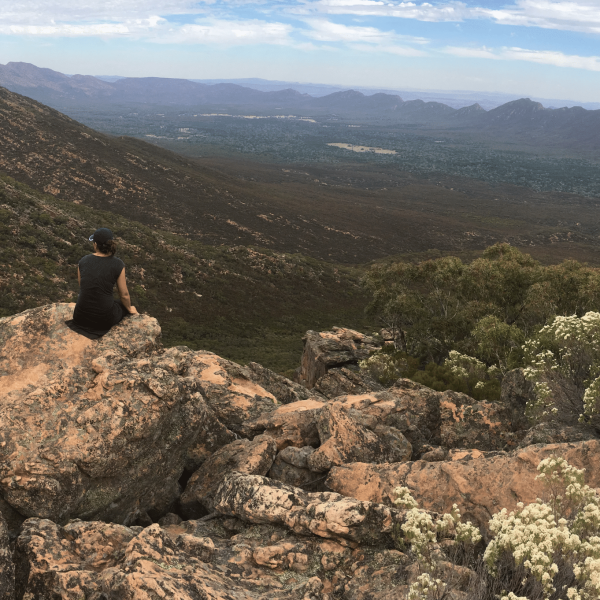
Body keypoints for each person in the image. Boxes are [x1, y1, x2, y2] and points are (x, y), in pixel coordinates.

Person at [66, 227, 138, 339]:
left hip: (80, 317)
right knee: (121, 305)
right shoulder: (118, 264)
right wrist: (129, 309)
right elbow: (124, 295)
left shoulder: (83, 261)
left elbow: (83, 287)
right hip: (103, 320)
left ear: (95, 244)